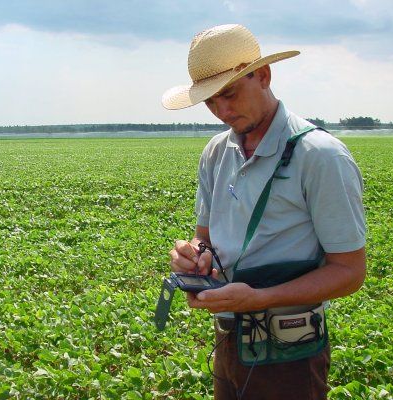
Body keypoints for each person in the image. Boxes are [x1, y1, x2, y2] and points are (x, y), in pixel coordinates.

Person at [163, 24, 366, 400]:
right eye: (210, 101)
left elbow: (350, 272)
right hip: (227, 340)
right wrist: (193, 256)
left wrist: (258, 299)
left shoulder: (320, 156)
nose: (221, 111)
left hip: (288, 349)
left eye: (230, 94)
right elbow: (205, 238)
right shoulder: (215, 152)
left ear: (264, 75)